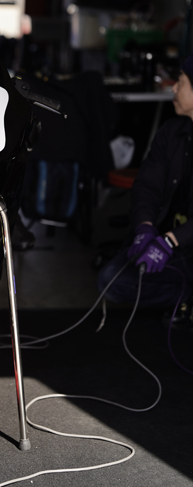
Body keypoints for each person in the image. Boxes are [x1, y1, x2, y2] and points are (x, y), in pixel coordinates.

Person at [97, 54, 193, 320]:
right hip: (171, 245)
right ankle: (184, 296)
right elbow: (147, 185)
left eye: (181, 81)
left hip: (179, 242)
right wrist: (145, 227)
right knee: (112, 281)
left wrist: (172, 240)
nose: (174, 88)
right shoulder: (171, 132)